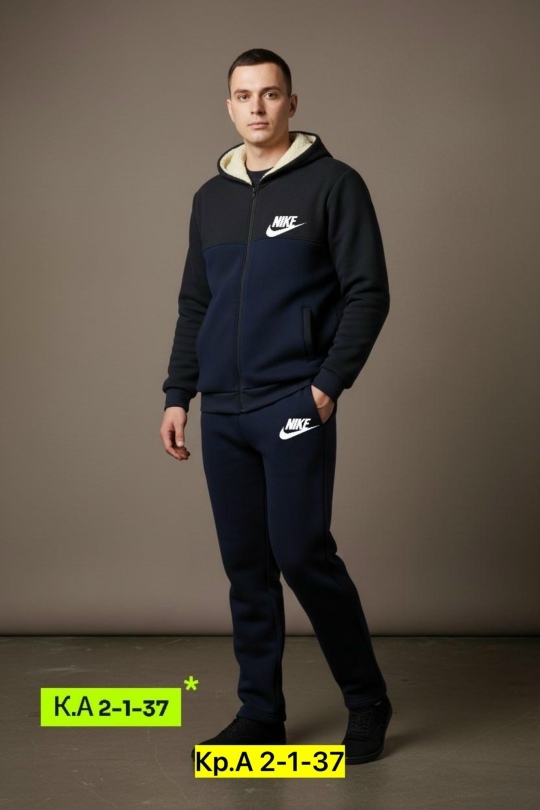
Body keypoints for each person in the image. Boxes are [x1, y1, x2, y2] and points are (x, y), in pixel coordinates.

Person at [159, 48, 392, 765]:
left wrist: (326, 385)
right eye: (243, 95)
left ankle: (367, 700)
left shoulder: (334, 185)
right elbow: (196, 304)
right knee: (247, 567)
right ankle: (260, 715)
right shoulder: (211, 198)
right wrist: (178, 394)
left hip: (292, 401)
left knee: (302, 554)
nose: (256, 107)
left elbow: (368, 293)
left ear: (292, 102)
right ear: (229, 106)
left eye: (269, 94)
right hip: (224, 413)